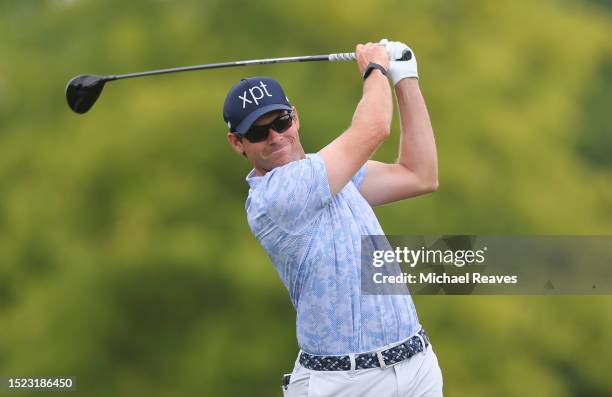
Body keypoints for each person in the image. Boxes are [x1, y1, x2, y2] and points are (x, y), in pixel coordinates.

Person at [223, 39, 442, 396]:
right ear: (237, 142)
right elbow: (374, 128)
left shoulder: (327, 174)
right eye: (258, 132)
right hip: (348, 384)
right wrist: (375, 68)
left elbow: (420, 174)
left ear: (295, 116)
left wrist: (406, 77)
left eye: (280, 121)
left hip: (416, 366)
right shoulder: (276, 197)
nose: (276, 137)